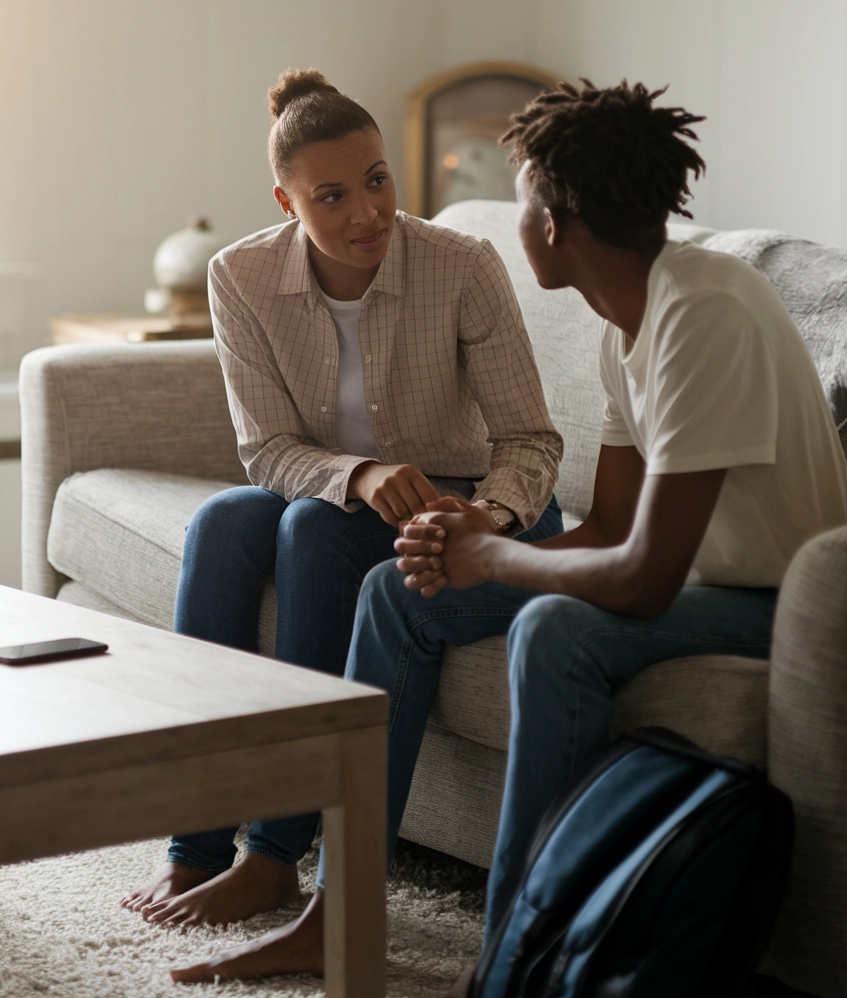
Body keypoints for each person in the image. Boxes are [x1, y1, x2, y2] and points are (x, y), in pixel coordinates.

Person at [168, 78, 847, 998]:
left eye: (525, 192)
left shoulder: (706, 313)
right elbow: (607, 528)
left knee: (555, 635)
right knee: (390, 591)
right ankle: (339, 904)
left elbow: (646, 572)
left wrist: (487, 547)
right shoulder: (630, 327)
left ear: (557, 220)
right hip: (687, 576)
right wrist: (460, 548)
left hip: (781, 603)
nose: (514, 211)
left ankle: (502, 964)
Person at [120, 67, 563, 932]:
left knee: (314, 533)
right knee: (224, 523)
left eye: (377, 180)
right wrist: (358, 475)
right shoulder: (239, 277)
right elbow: (266, 450)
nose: (367, 213)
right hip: (345, 497)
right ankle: (195, 847)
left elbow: (532, 441)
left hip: (479, 502)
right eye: (332, 196)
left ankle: (276, 856)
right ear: (286, 202)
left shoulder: (461, 264)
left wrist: (488, 517)